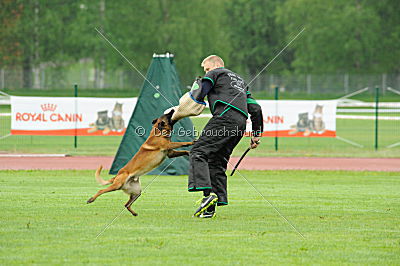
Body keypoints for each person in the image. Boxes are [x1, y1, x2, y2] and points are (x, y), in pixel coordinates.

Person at [168, 55, 263, 218]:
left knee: (198, 152)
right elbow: (255, 108)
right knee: (216, 161)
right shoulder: (241, 82)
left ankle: (208, 194)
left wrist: (185, 104)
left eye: (206, 69)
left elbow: (200, 92)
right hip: (240, 123)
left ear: (215, 65)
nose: (206, 72)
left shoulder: (215, 73)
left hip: (224, 117)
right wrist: (256, 134)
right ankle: (210, 207)